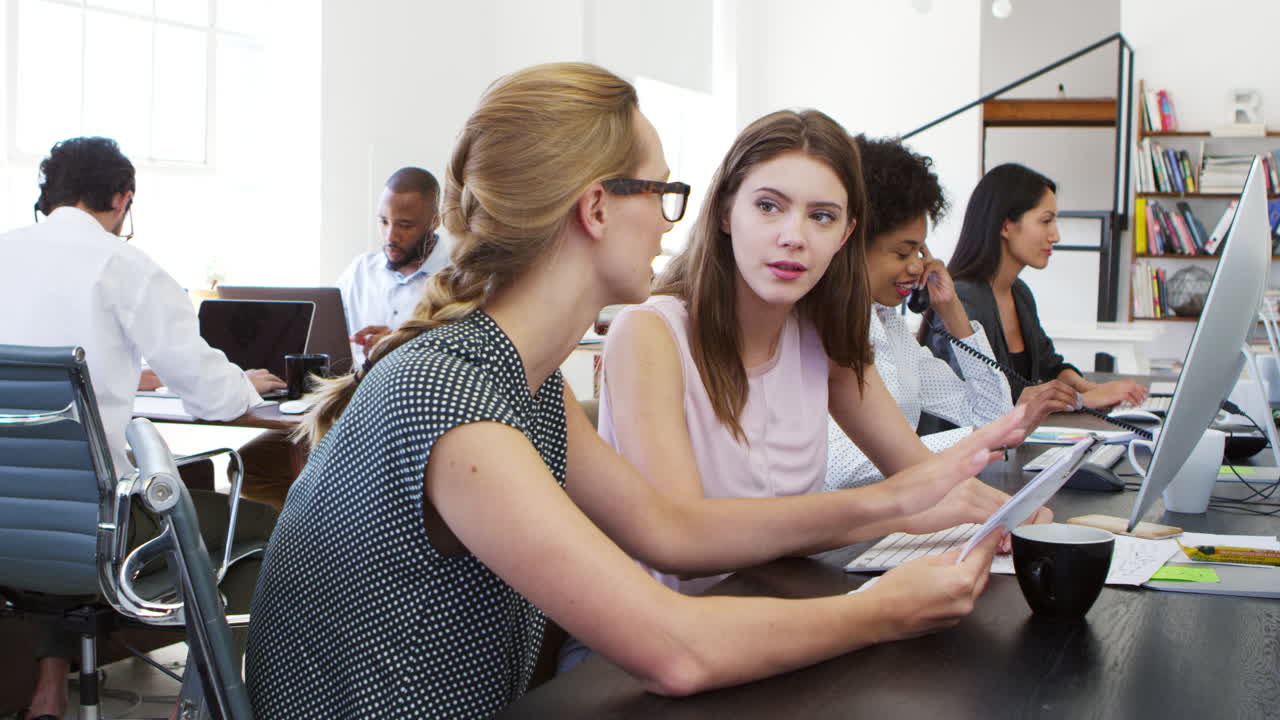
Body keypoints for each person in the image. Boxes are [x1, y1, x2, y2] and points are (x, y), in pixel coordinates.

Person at [246, 63, 1031, 718]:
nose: (666, 223)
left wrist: (896, 502)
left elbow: (671, 530)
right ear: (595, 208)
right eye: (659, 192)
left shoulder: (527, 381)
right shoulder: (456, 401)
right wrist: (881, 611)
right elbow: (676, 651)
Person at [0, 136, 284, 720]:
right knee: (256, 528)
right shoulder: (122, 265)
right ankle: (203, 709)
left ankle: (47, 693)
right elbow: (213, 395)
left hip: (9, 535)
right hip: (99, 539)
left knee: (58, 485)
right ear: (122, 199)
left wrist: (133, 378)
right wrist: (248, 384)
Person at [825, 137, 1078, 490]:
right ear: (852, 245)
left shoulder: (890, 327)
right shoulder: (822, 329)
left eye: (920, 251)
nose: (917, 266)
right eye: (903, 253)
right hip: (851, 528)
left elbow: (992, 414)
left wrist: (952, 311)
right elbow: (838, 466)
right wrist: (979, 440)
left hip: (893, 515)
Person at [919, 163, 1148, 409]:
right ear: (1006, 226)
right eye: (1046, 221)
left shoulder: (1020, 293)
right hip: (966, 442)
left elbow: (1049, 365)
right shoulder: (960, 299)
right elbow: (987, 397)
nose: (1055, 235)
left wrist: (1091, 388)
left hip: (1012, 442)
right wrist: (1084, 400)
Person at [336, 166, 450, 363]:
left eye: (405, 226)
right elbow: (325, 337)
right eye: (384, 221)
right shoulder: (359, 272)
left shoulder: (458, 279)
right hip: (355, 390)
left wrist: (399, 344)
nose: (391, 236)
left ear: (435, 221)